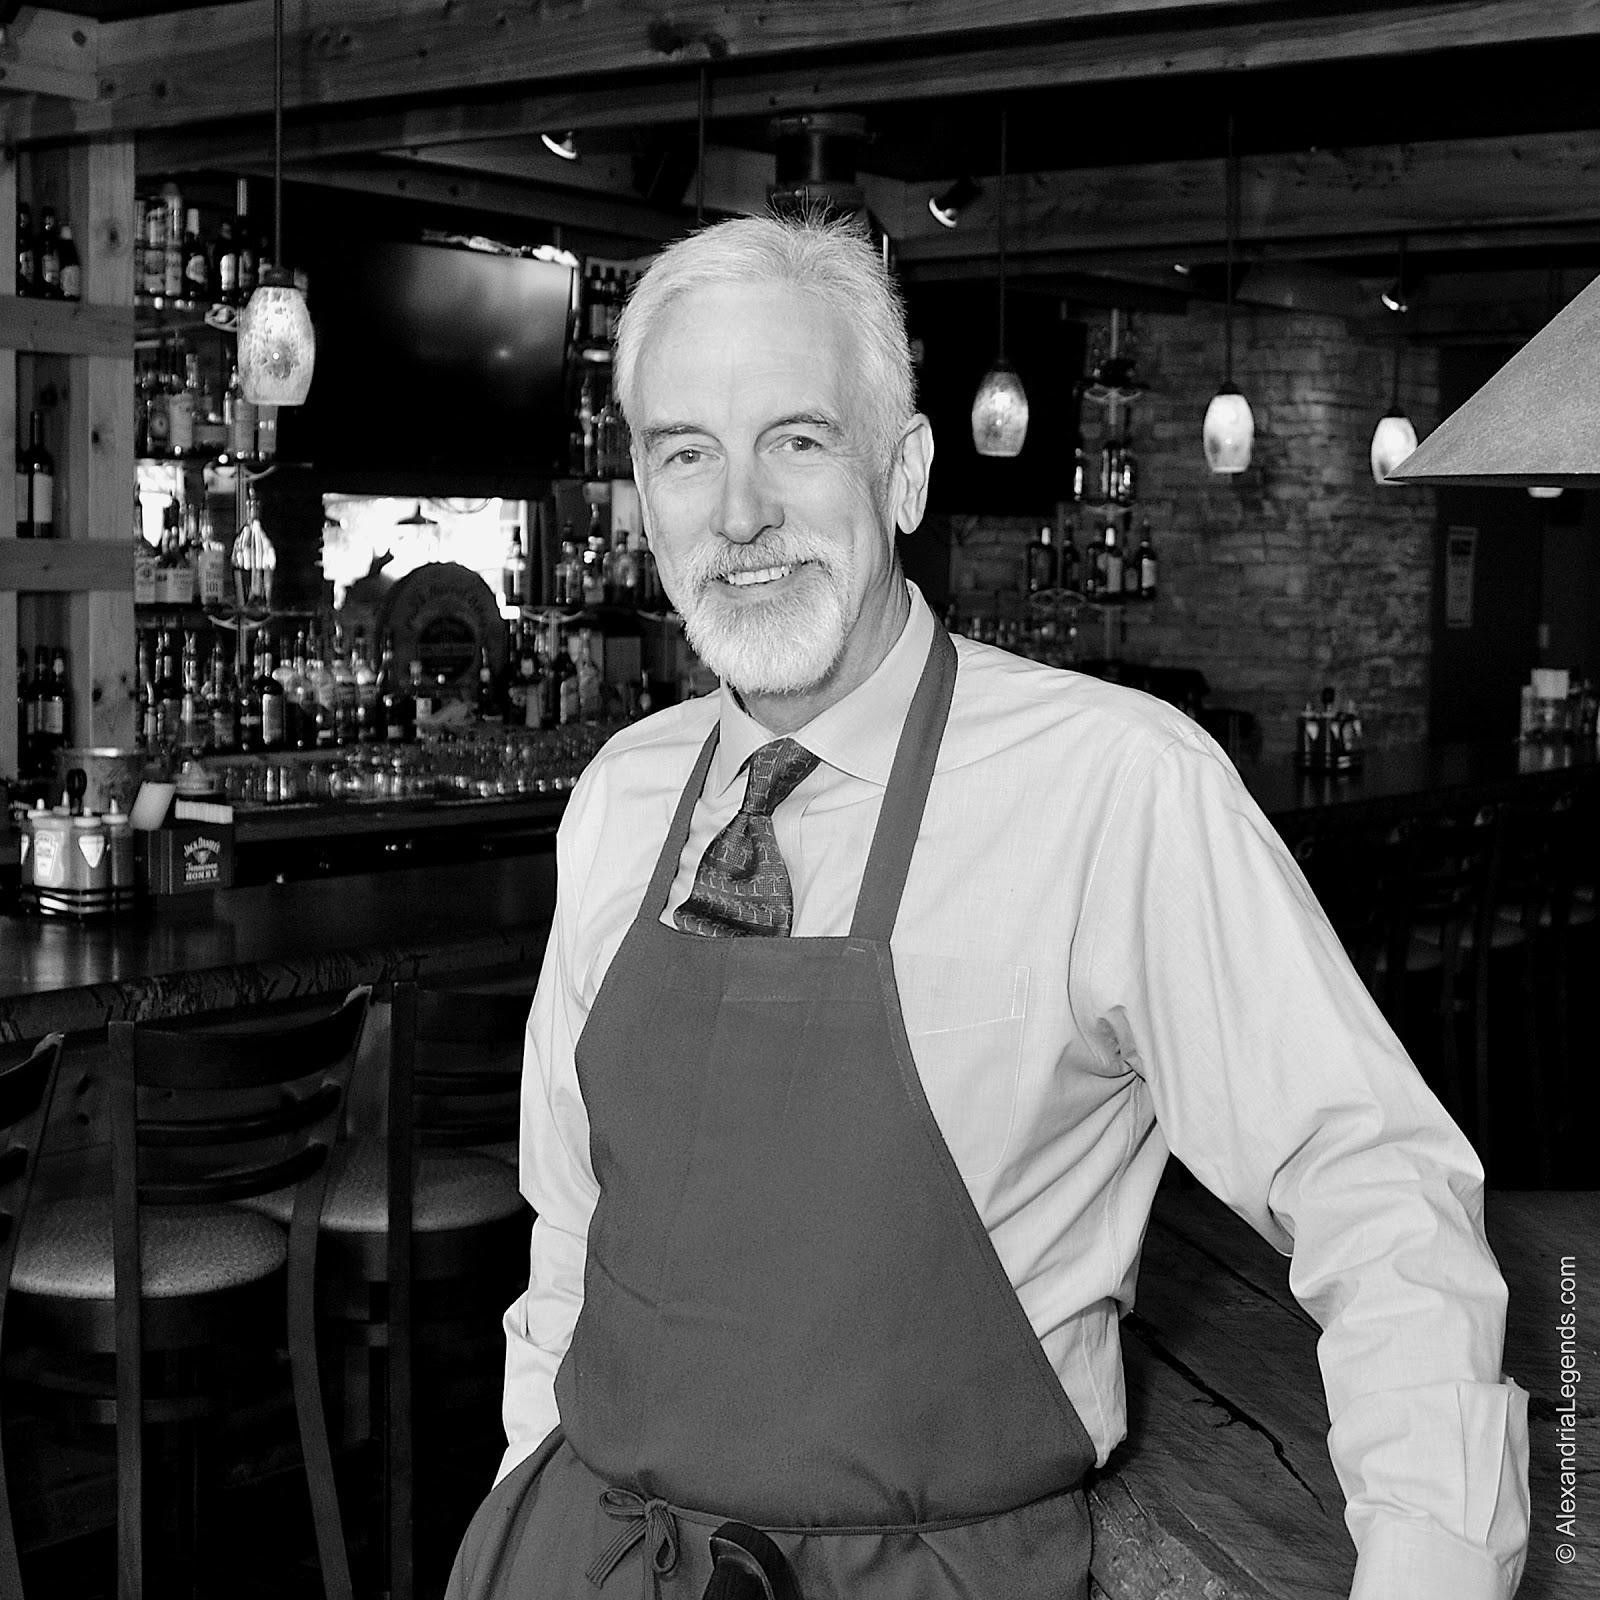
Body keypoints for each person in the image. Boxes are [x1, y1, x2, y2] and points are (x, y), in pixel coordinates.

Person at [446, 213, 1528, 1600]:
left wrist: (1435, 1567)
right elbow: (571, 1233)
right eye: (684, 453)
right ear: (642, 497)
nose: (738, 513)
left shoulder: (1115, 788)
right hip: (582, 1556)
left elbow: (1376, 1188)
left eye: (798, 438)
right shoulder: (617, 797)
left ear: (902, 474)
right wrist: (524, 1483)